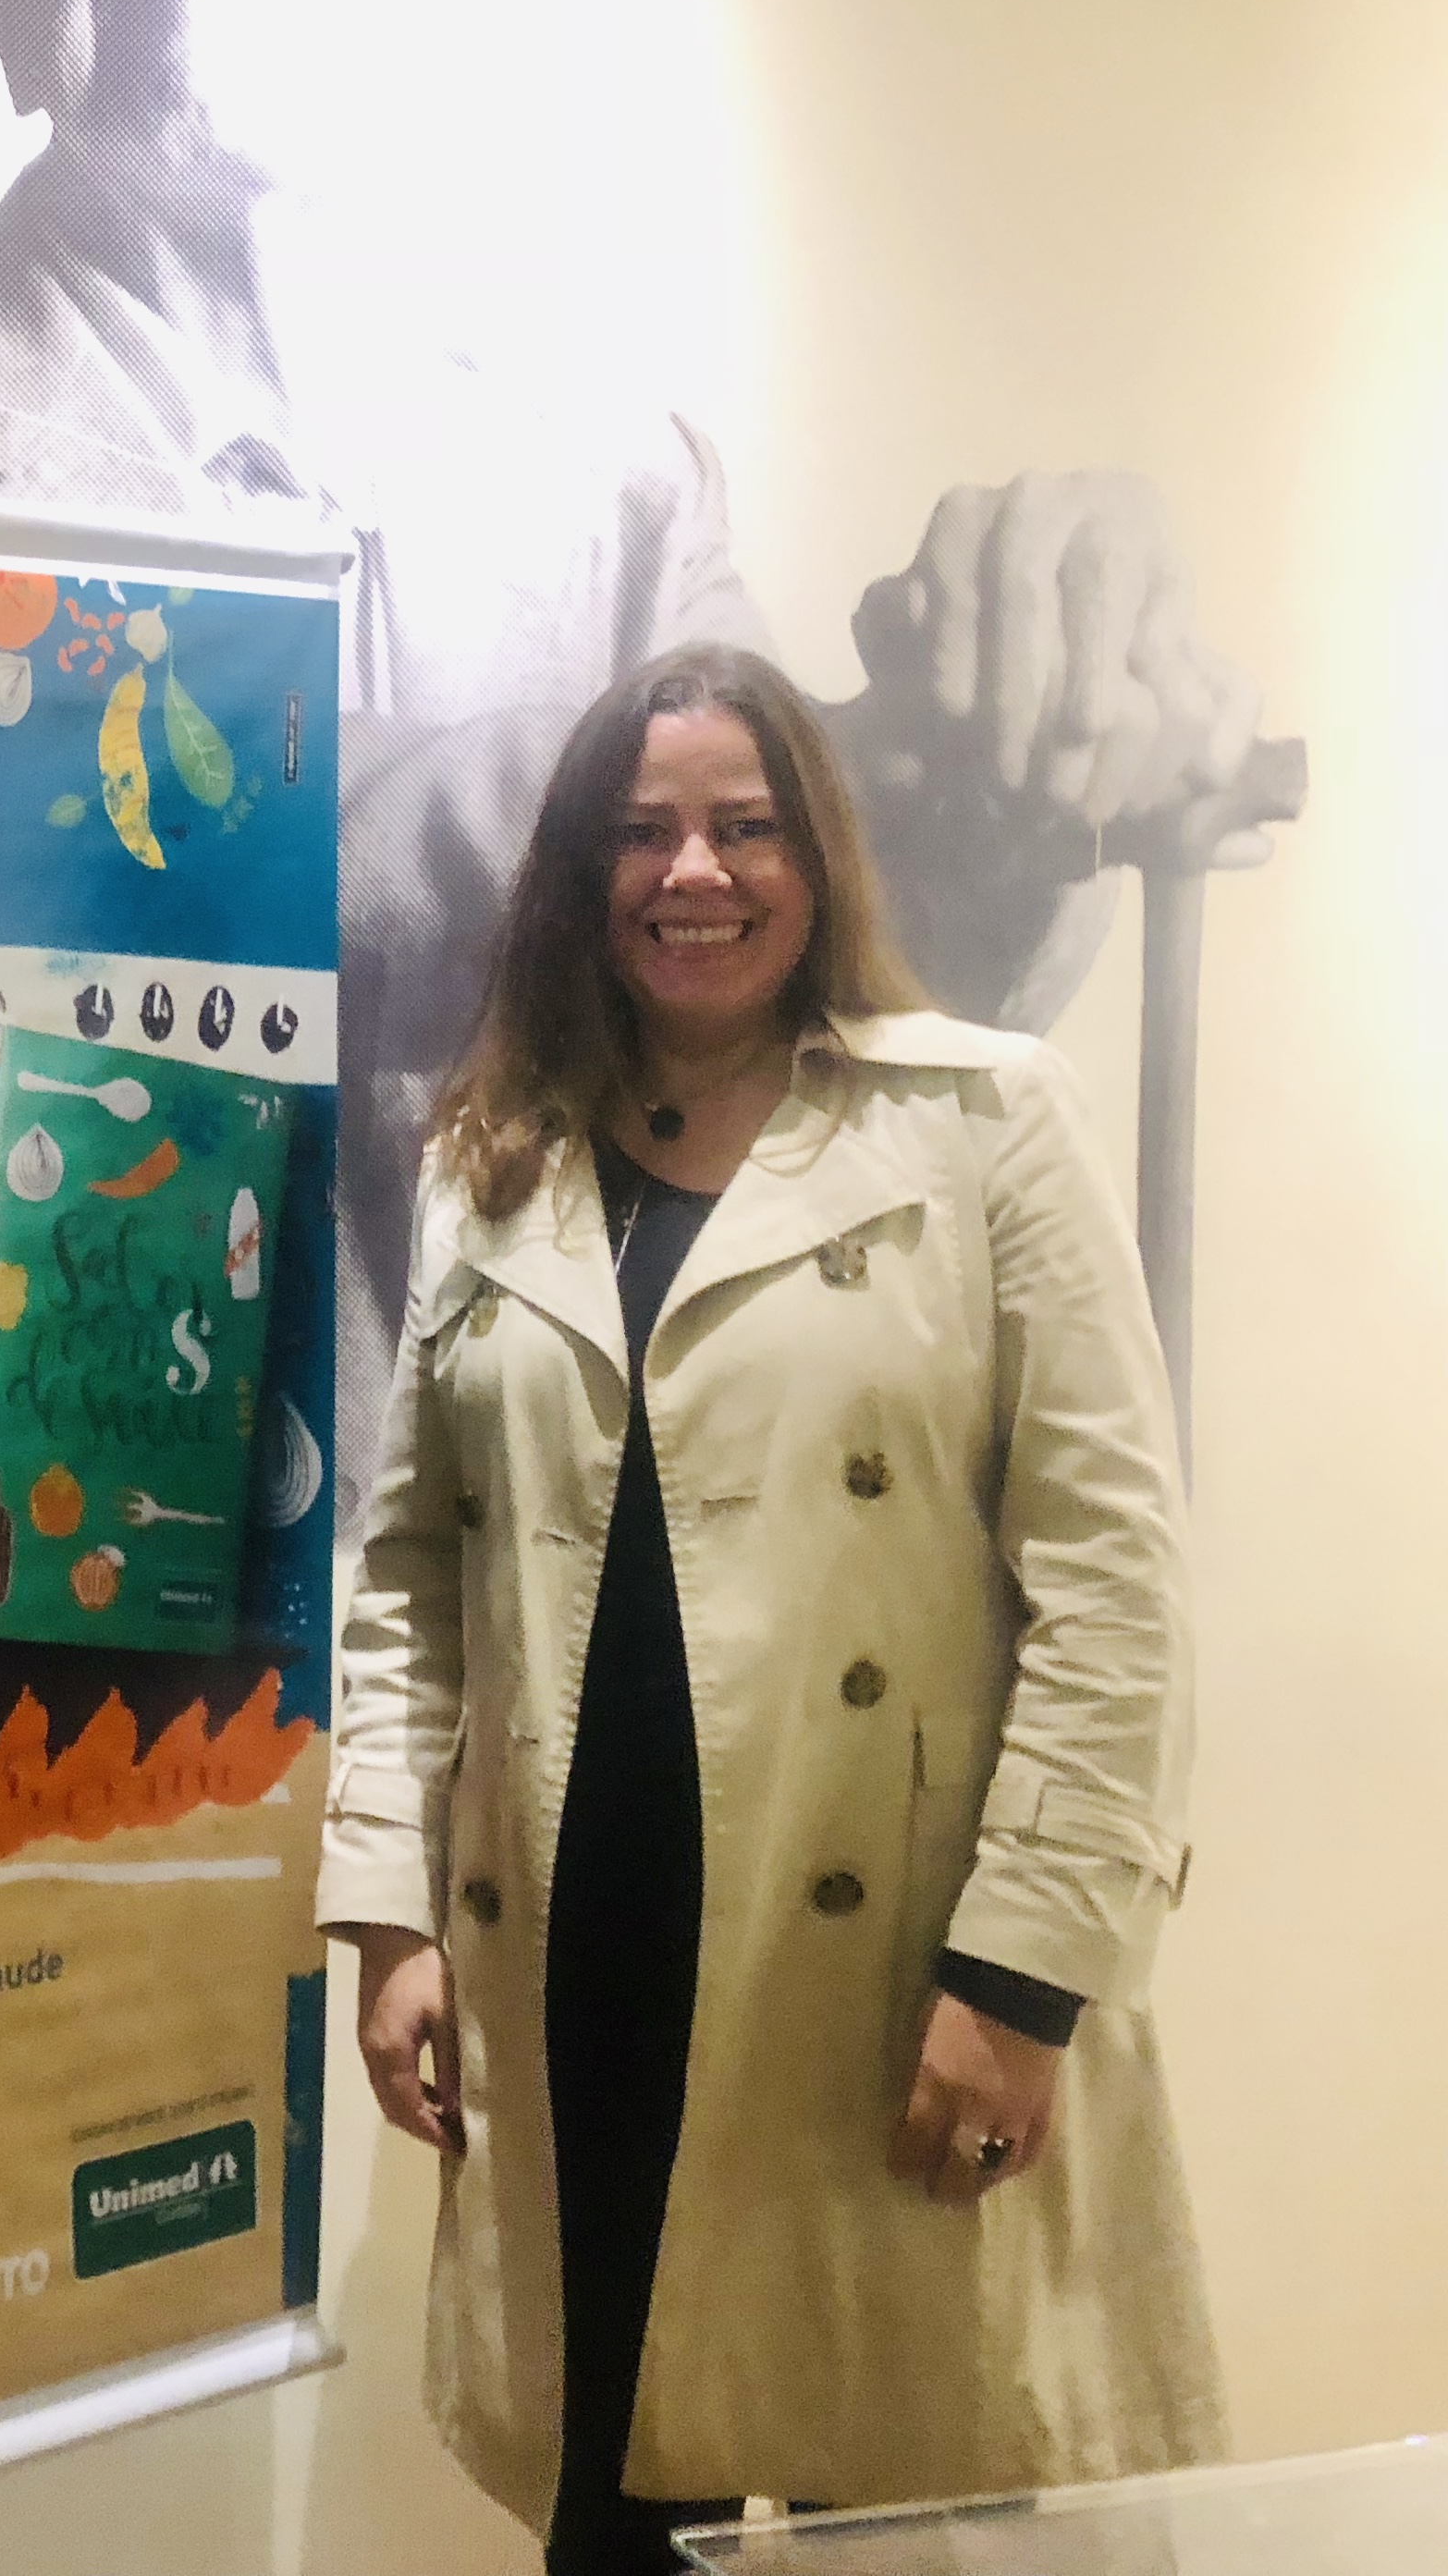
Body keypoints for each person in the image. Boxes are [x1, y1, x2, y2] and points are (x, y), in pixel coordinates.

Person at [0, 0, 1278, 1515]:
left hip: (575, 1684)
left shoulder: (619, 498)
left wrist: (1026, 747)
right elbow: (54, 858)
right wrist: (770, 781)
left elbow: (805, 1041)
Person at [316, 646, 1222, 2574]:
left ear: (819, 857)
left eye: (745, 826)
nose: (695, 873)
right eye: (642, 832)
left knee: (901, 2513)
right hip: (579, 1954)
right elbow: (410, 1579)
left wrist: (1023, 1980)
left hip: (884, 1965)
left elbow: (1117, 1588)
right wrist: (388, 1912)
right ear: (580, 875)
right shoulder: (491, 1166)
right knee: (615, 2502)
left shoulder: (982, 1125)